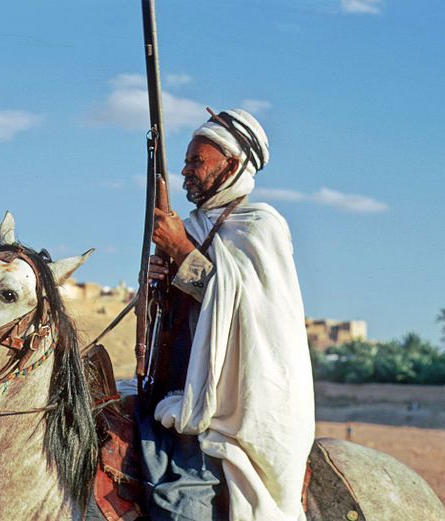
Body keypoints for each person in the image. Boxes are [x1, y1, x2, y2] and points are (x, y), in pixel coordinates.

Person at [141, 109, 314, 520]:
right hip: (174, 389)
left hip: (225, 405)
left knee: (181, 506)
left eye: (196, 161)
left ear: (232, 165)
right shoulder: (192, 226)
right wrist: (159, 278)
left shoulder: (261, 228)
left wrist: (182, 252)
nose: (185, 171)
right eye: (185, 161)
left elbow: (241, 312)